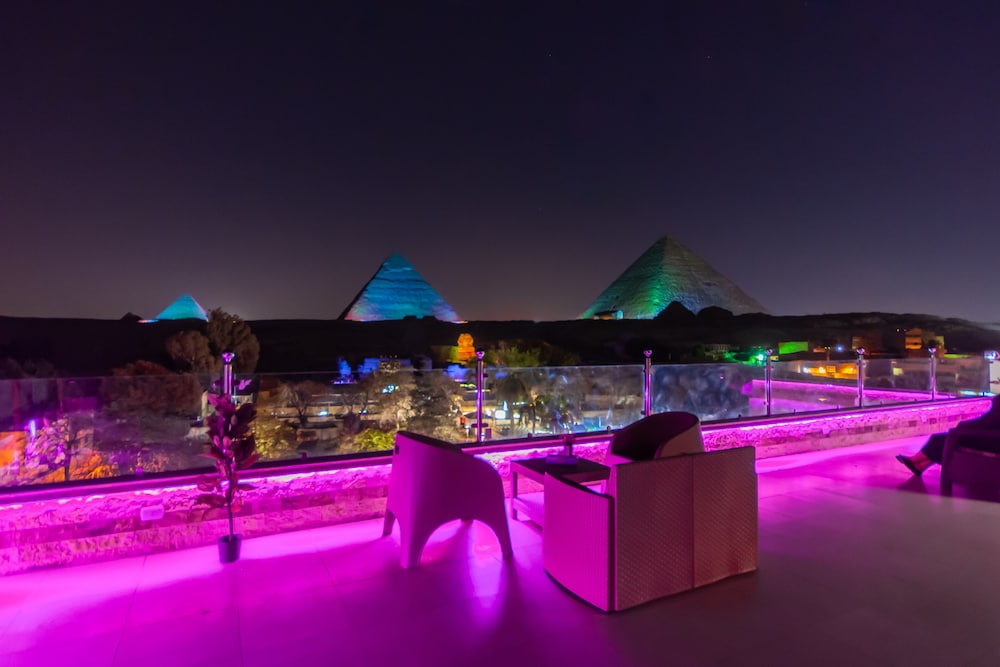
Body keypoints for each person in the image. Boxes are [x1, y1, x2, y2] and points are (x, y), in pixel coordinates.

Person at [896, 394, 1000, 476]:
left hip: (991, 441)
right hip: (992, 438)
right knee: (945, 439)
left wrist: (963, 426)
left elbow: (989, 421)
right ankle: (920, 466)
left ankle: (915, 460)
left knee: (942, 439)